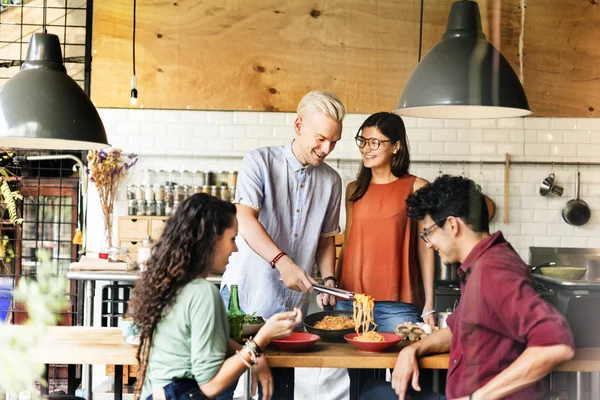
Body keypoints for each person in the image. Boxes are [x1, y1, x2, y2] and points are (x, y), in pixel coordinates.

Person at [360, 175, 575, 400]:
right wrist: (412, 349)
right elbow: (456, 330)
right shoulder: (480, 264)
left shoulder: (493, 270)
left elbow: (556, 344)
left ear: (452, 225)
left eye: (428, 233)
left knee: (372, 395)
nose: (429, 244)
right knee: (373, 391)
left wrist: (477, 398)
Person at [219, 90, 345, 400]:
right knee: (218, 390)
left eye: (334, 142)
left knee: (275, 395)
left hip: (288, 312)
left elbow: (326, 238)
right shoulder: (259, 161)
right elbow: (245, 219)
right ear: (299, 126)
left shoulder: (332, 181)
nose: (326, 149)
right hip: (242, 301)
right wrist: (282, 261)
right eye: (320, 138)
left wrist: (328, 280)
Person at [129, 193, 302, 400]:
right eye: (232, 239)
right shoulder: (203, 292)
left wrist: (252, 352)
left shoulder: (170, 285)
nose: (235, 248)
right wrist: (262, 338)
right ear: (211, 239)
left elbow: (205, 337)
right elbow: (210, 385)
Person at [329, 112, 435, 331]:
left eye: (375, 142)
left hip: (398, 303)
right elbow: (349, 243)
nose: (366, 149)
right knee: (356, 366)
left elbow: (426, 249)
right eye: (363, 141)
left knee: (402, 364)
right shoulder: (353, 190)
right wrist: (333, 289)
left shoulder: (418, 188)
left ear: (396, 146)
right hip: (351, 302)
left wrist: (430, 303)